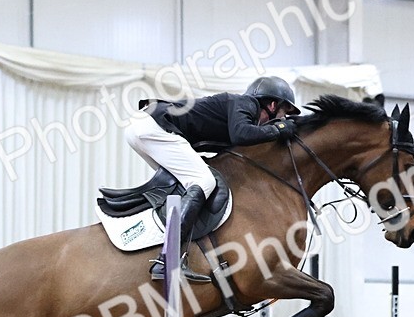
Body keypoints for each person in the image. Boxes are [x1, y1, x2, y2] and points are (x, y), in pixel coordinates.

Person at [125, 76, 301, 282]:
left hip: (146, 127)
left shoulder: (238, 115)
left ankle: (164, 246)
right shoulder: (246, 103)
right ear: (272, 104)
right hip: (154, 126)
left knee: (187, 186)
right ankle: (167, 260)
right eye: (282, 114)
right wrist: (279, 130)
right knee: (204, 181)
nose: (280, 120)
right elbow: (242, 135)